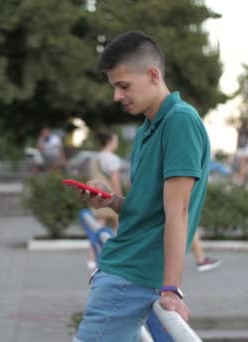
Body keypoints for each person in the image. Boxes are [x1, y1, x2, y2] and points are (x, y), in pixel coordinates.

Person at [73, 31, 211, 342]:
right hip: (121, 270)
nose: (117, 96)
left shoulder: (180, 122)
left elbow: (179, 211)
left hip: (129, 277)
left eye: (124, 86)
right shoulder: (149, 126)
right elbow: (147, 208)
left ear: (152, 75)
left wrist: (171, 288)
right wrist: (110, 201)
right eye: (114, 87)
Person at [86, 130, 123, 270]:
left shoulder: (95, 158)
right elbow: (115, 179)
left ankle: (91, 258)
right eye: (115, 140)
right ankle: (116, 256)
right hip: (109, 197)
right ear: (110, 141)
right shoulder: (112, 159)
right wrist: (119, 198)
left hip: (96, 196)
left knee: (98, 227)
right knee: (121, 226)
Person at [234, 120, 248, 185]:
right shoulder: (243, 130)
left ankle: (242, 179)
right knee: (242, 165)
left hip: (243, 148)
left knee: (244, 165)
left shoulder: (243, 131)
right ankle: (242, 179)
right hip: (242, 148)